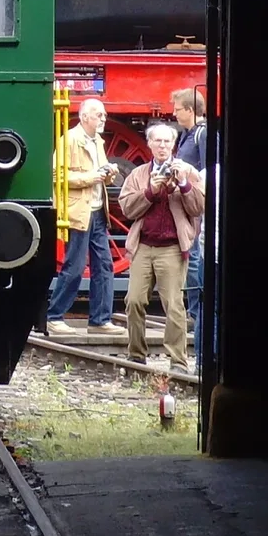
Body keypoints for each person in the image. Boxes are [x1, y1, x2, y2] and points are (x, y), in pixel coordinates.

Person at [117, 122, 205, 371]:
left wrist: (184, 185)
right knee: (134, 300)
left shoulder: (187, 170)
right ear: (150, 144)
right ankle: (136, 355)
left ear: (173, 145)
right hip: (144, 245)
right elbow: (127, 208)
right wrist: (151, 191)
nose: (163, 146)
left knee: (174, 305)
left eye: (167, 142)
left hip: (172, 248)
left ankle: (177, 360)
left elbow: (199, 208)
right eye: (158, 141)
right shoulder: (138, 174)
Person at [46, 98, 120, 335]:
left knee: (104, 265)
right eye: (99, 115)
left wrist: (109, 174)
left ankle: (100, 319)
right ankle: (54, 315)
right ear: (85, 116)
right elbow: (57, 176)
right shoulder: (69, 140)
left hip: (98, 211)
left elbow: (99, 174)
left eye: (105, 115)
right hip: (79, 212)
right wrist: (93, 177)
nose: (103, 119)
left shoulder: (97, 141)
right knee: (75, 265)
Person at [171, 87, 207, 357]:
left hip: (195, 205)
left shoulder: (202, 134)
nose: (173, 113)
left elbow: (207, 171)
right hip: (184, 203)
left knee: (194, 258)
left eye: (177, 109)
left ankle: (195, 312)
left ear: (190, 110)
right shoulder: (187, 134)